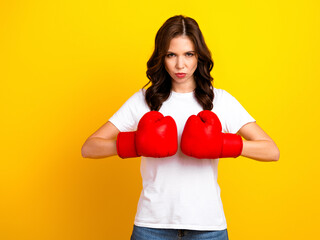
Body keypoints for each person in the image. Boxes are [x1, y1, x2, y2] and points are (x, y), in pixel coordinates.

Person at [81, 14, 280, 240]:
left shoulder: (220, 101)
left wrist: (224, 144)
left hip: (208, 227)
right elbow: (89, 148)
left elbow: (271, 151)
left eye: (189, 54)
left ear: (199, 56)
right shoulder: (144, 100)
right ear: (161, 57)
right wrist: (136, 143)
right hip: (151, 225)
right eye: (171, 55)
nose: (180, 64)